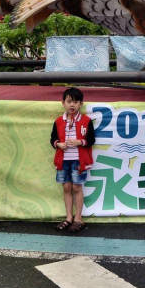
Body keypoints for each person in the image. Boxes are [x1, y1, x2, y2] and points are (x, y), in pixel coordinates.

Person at [50, 87, 95, 234]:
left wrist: (79, 142)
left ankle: (78, 219)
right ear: (62, 103)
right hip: (63, 161)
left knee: (77, 188)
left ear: (81, 104)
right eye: (69, 102)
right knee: (66, 188)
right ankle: (68, 217)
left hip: (78, 160)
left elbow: (91, 140)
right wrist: (58, 144)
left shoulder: (86, 121)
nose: (72, 105)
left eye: (75, 102)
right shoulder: (58, 121)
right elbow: (52, 139)